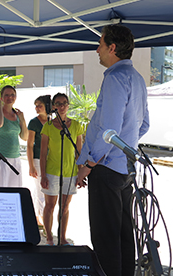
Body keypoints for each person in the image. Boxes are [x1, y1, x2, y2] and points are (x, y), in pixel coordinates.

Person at [75, 24, 149, 276]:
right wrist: (125, 149)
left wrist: (89, 164)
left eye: (100, 44)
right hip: (124, 169)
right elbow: (144, 124)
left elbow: (110, 130)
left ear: (112, 48)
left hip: (106, 169)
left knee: (106, 238)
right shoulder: (137, 78)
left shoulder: (116, 78)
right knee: (123, 235)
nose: (97, 50)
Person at [40, 93, 84, 246]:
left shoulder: (76, 125)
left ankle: (62, 237)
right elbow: (43, 152)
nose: (62, 106)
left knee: (64, 207)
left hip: (70, 172)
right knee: (50, 206)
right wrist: (43, 175)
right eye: (58, 103)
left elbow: (79, 151)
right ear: (53, 107)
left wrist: (81, 172)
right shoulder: (49, 126)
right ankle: (50, 238)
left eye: (64, 103)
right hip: (52, 172)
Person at [0, 85, 27, 187]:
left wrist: (22, 119)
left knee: (13, 189)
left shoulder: (17, 114)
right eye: (6, 95)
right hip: (0, 156)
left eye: (12, 95)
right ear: (1, 98)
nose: (10, 97)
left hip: (15, 157)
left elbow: (24, 137)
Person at [27, 95, 50, 231]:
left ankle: (43, 217)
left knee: (49, 190)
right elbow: (29, 145)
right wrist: (31, 165)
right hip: (37, 159)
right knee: (40, 189)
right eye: (35, 105)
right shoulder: (33, 123)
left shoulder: (53, 121)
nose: (36, 108)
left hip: (51, 159)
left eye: (39, 105)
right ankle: (40, 219)